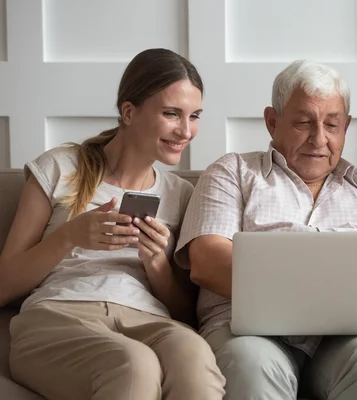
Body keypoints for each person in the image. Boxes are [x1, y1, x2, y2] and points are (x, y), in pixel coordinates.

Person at [174, 59, 357, 400]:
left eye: (332, 125)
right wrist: (333, 297)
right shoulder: (232, 172)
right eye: (304, 123)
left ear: (346, 127)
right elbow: (208, 261)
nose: (318, 139)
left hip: (348, 338)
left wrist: (334, 310)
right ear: (272, 121)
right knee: (250, 364)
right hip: (248, 334)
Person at [0, 48, 225, 400]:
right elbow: (4, 285)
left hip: (147, 318)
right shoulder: (60, 168)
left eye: (194, 115)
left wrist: (156, 264)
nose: (186, 130)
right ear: (128, 112)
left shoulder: (181, 193)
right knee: (134, 364)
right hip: (60, 315)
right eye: (171, 113)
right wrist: (69, 236)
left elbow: (185, 310)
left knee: (194, 355)